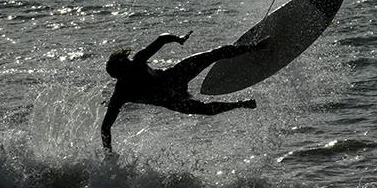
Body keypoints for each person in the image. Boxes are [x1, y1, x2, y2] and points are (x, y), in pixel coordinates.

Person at [100, 31, 259, 150]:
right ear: (120, 76)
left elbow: (162, 38)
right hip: (171, 99)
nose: (131, 65)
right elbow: (105, 128)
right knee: (206, 110)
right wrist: (108, 152)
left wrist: (179, 39)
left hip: (175, 77)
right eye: (126, 67)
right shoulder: (121, 93)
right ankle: (240, 104)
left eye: (128, 62)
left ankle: (254, 47)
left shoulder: (137, 61)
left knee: (213, 54)